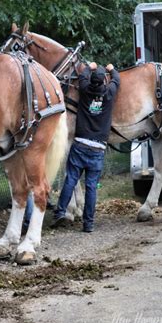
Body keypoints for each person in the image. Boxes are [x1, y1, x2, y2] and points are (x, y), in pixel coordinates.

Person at [52, 62, 120, 232]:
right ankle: (88, 224)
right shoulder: (109, 93)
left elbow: (82, 76)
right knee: (91, 187)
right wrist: (111, 69)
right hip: (98, 149)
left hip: (80, 144)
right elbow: (117, 80)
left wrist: (90, 67)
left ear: (90, 80)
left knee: (71, 179)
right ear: (105, 81)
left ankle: (60, 211)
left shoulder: (84, 89)